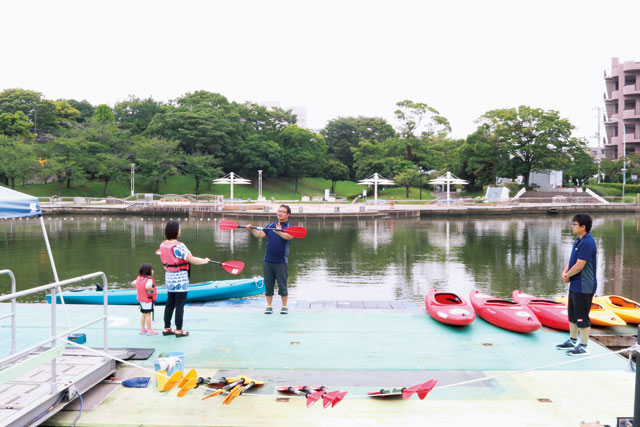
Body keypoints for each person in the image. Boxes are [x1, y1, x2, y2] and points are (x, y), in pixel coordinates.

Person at [158, 220, 211, 337]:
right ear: (176, 231)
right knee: (179, 304)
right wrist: (204, 261)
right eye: (179, 228)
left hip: (169, 278)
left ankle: (166, 327)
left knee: (170, 303)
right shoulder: (179, 246)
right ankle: (179, 329)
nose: (180, 230)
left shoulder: (163, 245)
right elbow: (191, 259)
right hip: (180, 279)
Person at [556, 214, 597, 356]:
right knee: (572, 315)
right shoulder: (578, 240)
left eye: (574, 224)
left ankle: (584, 346)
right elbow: (573, 260)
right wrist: (565, 272)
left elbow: (580, 266)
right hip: (575, 284)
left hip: (584, 286)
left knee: (582, 317)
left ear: (583, 227)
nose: (572, 227)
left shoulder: (588, 242)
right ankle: (573, 340)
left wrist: (568, 275)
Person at [247, 204, 295, 314]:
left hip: (281, 262)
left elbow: (289, 236)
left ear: (288, 214)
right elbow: (259, 235)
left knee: (282, 285)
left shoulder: (289, 227)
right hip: (268, 261)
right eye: (278, 211)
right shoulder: (271, 225)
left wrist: (279, 231)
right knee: (268, 285)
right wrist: (251, 229)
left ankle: (284, 306)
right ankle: (269, 306)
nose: (279, 213)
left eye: (282, 211)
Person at [131, 263, 158, 335]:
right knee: (148, 315)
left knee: (143, 314)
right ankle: (150, 330)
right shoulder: (149, 279)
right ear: (149, 271)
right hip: (147, 300)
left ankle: (142, 329)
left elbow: (133, 283)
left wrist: (138, 288)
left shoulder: (139, 278)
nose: (153, 271)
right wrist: (153, 289)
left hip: (141, 300)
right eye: (152, 270)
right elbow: (147, 286)